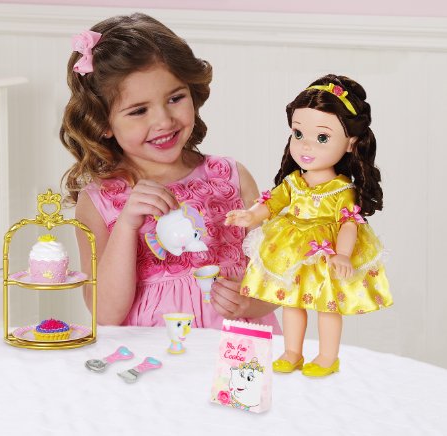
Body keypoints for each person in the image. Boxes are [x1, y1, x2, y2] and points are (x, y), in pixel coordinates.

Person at [60, 13, 280, 332]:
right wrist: (127, 225)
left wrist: (250, 303)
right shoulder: (98, 202)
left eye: (175, 98)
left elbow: (278, 276)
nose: (164, 121)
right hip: (153, 355)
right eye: (139, 110)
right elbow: (105, 313)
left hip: (236, 349)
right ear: (103, 122)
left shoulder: (231, 178)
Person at [225, 74, 392, 377]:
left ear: (351, 143)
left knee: (327, 306)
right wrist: (250, 216)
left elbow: (349, 224)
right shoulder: (293, 182)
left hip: (325, 254)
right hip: (292, 250)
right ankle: (293, 351)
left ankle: (328, 356)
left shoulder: (342, 190)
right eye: (298, 133)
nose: (306, 146)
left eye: (322, 138)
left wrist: (343, 254)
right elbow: (272, 202)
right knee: (291, 301)